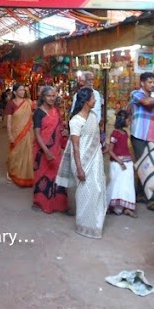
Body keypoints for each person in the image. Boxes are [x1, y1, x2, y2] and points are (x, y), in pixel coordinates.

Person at [56, 88, 107, 238]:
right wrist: (79, 168)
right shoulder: (76, 121)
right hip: (82, 162)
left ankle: (95, 224)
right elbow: (76, 146)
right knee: (85, 192)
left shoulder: (93, 116)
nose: (96, 101)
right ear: (85, 101)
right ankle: (84, 225)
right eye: (93, 98)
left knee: (97, 190)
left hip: (94, 159)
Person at [32, 86, 68, 213]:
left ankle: (58, 204)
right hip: (42, 150)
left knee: (57, 175)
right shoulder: (38, 113)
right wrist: (46, 151)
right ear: (43, 97)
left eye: (53, 96)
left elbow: (58, 128)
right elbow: (37, 134)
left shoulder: (56, 111)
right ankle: (41, 202)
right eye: (49, 96)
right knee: (43, 176)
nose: (52, 98)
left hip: (56, 149)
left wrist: (63, 131)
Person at [106, 110, 137, 217]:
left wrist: (131, 162)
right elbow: (110, 150)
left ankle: (126, 207)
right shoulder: (115, 133)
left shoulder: (126, 134)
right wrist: (120, 162)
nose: (130, 121)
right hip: (117, 163)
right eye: (128, 120)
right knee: (116, 184)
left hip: (127, 162)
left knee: (127, 184)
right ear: (123, 120)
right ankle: (115, 206)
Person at [128, 72, 154, 161]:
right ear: (142, 83)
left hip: (151, 135)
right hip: (138, 134)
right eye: (149, 82)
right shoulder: (135, 93)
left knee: (150, 162)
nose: (152, 85)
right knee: (142, 162)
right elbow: (146, 102)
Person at [5, 84, 34, 187]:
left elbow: (32, 117)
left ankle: (25, 176)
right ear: (15, 92)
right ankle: (12, 172)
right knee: (15, 155)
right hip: (16, 133)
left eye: (24, 90)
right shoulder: (11, 104)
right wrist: (10, 135)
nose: (23, 92)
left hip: (28, 133)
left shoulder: (29, 102)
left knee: (27, 155)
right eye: (20, 90)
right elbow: (8, 121)